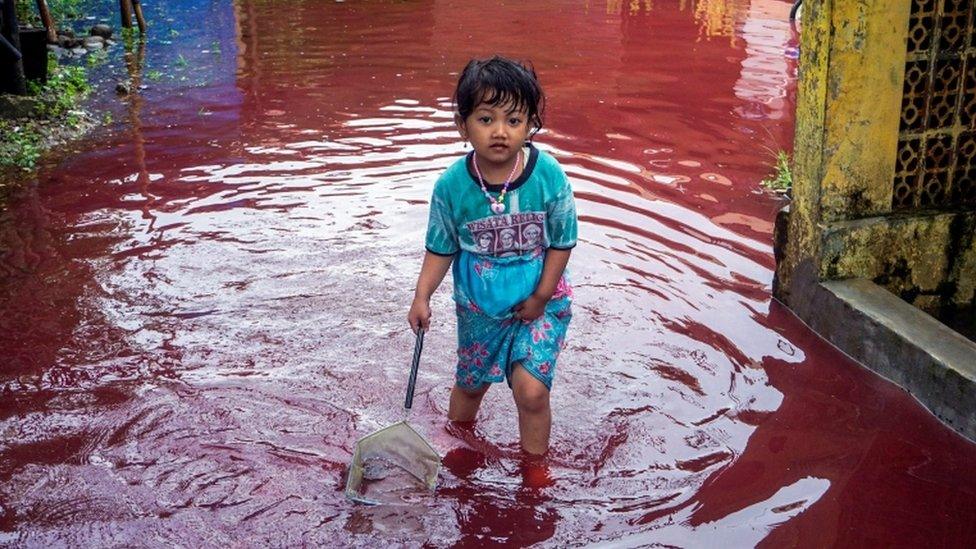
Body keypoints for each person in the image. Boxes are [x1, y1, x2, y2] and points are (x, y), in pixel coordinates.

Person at [407, 56, 578, 461]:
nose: (500, 132)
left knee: (532, 390)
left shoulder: (547, 174)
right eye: (486, 119)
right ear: (462, 125)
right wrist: (422, 296)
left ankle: (535, 471)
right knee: (470, 386)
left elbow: (562, 241)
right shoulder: (452, 186)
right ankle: (457, 449)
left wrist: (541, 298)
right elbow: (441, 247)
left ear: (530, 124)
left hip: (540, 302)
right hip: (480, 308)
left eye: (514, 120)